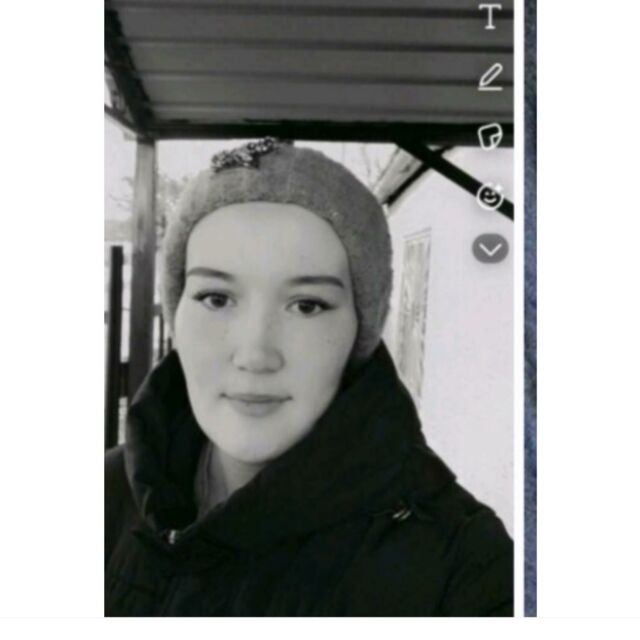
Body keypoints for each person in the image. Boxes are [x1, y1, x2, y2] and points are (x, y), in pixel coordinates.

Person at [105, 139, 513, 616]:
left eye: (307, 306)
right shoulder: (103, 494)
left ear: (360, 331)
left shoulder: (465, 567)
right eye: (216, 298)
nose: (255, 354)